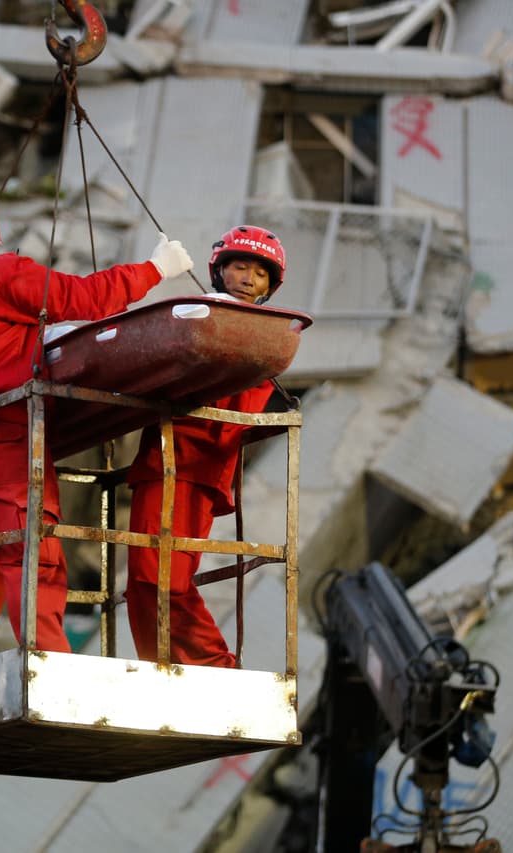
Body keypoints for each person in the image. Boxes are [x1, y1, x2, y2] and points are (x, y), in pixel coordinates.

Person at [0, 194, 193, 665]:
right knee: (33, 556)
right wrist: (156, 269)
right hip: (6, 439)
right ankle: (48, 670)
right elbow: (87, 299)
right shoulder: (1, 272)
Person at [125, 225, 287, 668]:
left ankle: (217, 668)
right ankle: (160, 668)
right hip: (165, 461)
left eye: (260, 273)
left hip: (194, 467)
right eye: (240, 267)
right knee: (142, 583)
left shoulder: (263, 334)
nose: (248, 278)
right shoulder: (198, 318)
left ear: (269, 286)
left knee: (163, 578)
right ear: (220, 271)